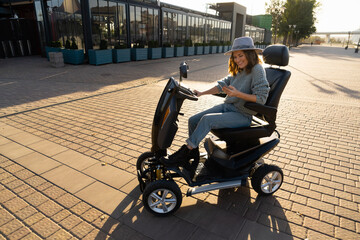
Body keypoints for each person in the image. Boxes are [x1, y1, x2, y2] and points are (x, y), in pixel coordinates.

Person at [164, 37, 270, 166]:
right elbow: (222, 85)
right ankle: (193, 152)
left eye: (240, 56)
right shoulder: (240, 69)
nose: (237, 60)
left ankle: (186, 151)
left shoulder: (257, 70)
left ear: (249, 54)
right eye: (235, 57)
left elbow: (261, 98)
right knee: (193, 120)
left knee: (207, 120)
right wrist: (202, 93)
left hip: (243, 115)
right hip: (228, 107)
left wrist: (238, 94)